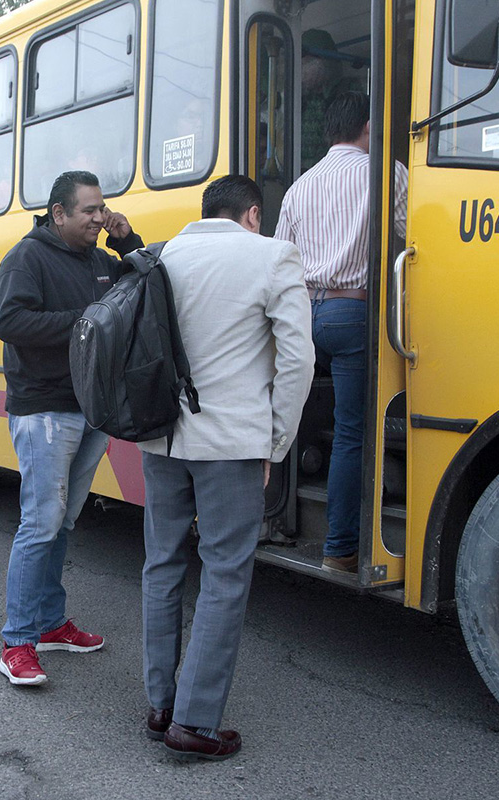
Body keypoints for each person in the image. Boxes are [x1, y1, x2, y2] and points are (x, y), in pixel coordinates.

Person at [138, 176, 314, 760]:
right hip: (232, 445)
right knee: (224, 575)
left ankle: (161, 704)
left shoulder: (161, 256)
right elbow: (297, 359)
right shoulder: (272, 256)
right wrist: (275, 443)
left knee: (162, 564)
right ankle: (194, 722)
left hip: (162, 440)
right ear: (253, 214)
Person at [0, 170, 143, 686]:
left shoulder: (101, 259)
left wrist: (128, 242)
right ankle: (17, 641)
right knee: (40, 522)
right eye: (90, 212)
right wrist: (83, 321)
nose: (100, 219)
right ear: (59, 214)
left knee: (64, 521)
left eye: (103, 210)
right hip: (44, 411)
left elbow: (144, 280)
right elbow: (9, 323)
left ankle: (51, 623)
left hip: (89, 408)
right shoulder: (26, 258)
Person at [275, 91, 408, 573]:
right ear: (368, 127)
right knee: (352, 433)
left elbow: (280, 259)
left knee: (296, 416)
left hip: (305, 317)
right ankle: (340, 550)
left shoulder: (299, 187)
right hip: (353, 316)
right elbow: (414, 232)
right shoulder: (383, 171)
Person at [299, 30, 364, 172]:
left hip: (339, 171)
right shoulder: (301, 97)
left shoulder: (348, 90)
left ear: (323, 63)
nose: (301, 72)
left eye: (305, 64)